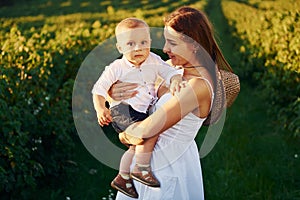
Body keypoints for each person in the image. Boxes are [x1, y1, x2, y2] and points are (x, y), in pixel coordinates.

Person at [108, 6, 233, 199]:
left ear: (194, 45)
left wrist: (124, 135)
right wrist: (112, 93)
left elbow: (145, 131)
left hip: (166, 170)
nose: (165, 49)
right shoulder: (171, 68)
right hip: (145, 164)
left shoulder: (197, 86)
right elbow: (132, 92)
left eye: (172, 43)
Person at [92, 18, 184, 198]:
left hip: (140, 112)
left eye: (143, 42)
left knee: (135, 148)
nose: (138, 48)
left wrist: (174, 79)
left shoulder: (154, 60)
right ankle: (141, 169)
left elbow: (168, 71)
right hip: (123, 110)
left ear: (150, 42)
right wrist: (101, 108)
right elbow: (99, 89)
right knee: (151, 131)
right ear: (120, 48)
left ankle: (122, 177)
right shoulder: (117, 67)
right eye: (130, 44)